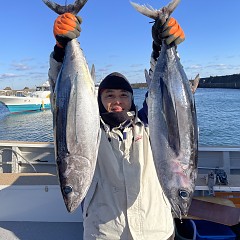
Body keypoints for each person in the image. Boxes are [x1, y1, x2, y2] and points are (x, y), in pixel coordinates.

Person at [48, 12, 185, 240]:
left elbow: (161, 89)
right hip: (103, 233)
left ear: (132, 99)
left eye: (123, 94)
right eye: (109, 95)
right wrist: (61, 50)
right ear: (97, 99)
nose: (117, 100)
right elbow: (63, 97)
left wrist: (160, 46)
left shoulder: (150, 124)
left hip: (156, 231)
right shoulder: (89, 130)